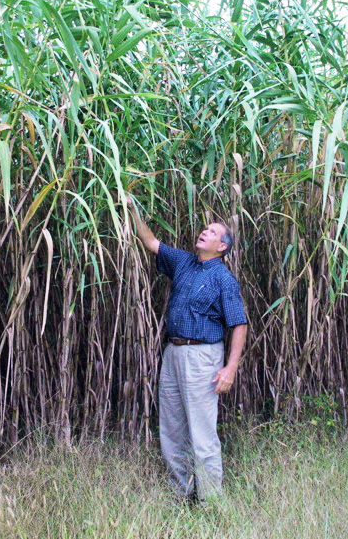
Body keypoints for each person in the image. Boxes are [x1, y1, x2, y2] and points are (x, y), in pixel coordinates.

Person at [125, 196, 248, 501]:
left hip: (203, 358)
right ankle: (179, 495)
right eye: (204, 229)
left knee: (202, 434)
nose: (204, 232)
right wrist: (132, 208)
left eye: (212, 232)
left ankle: (210, 502)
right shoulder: (183, 262)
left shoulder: (224, 279)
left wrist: (230, 368)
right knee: (172, 429)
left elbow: (239, 324)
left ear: (222, 247)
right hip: (174, 353)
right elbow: (150, 241)